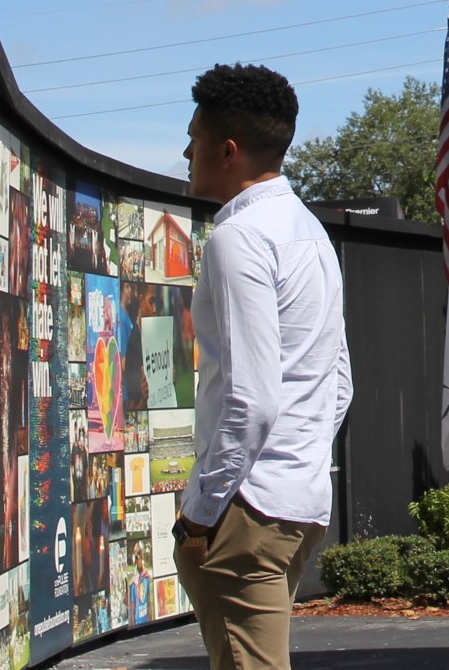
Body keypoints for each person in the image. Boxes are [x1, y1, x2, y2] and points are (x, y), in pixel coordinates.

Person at [171, 64, 349, 670]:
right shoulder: (310, 233)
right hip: (299, 501)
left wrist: (201, 514)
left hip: (246, 507)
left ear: (228, 149)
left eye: (194, 137)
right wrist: (300, 460)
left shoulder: (239, 237)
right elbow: (339, 381)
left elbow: (251, 398)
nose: (186, 150)